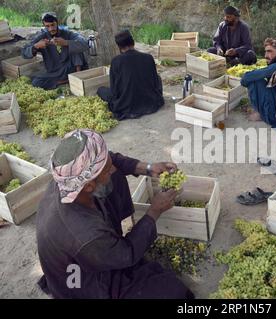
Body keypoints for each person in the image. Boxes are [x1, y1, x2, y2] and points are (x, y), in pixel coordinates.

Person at [36, 129, 194, 299]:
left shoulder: (69, 177)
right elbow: (127, 254)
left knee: (116, 176)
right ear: (89, 186)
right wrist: (154, 211)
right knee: (172, 291)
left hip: (88, 253)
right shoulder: (87, 235)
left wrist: (147, 168)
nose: (111, 169)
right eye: (106, 170)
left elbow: (111, 159)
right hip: (84, 283)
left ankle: (113, 245)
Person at [97, 30, 164, 120]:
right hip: (150, 101)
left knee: (101, 90)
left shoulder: (116, 61)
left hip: (126, 105)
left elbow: (114, 90)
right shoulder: (148, 57)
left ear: (119, 47)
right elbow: (155, 82)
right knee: (158, 78)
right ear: (133, 42)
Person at [22, 12, 89, 90]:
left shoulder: (68, 34)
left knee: (76, 46)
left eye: (53, 25)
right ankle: (65, 81)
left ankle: (77, 78)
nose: (51, 29)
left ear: (57, 23)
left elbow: (84, 43)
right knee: (36, 82)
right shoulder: (42, 37)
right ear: (44, 26)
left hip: (71, 68)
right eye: (47, 26)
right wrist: (36, 46)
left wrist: (66, 43)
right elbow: (24, 52)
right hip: (55, 72)